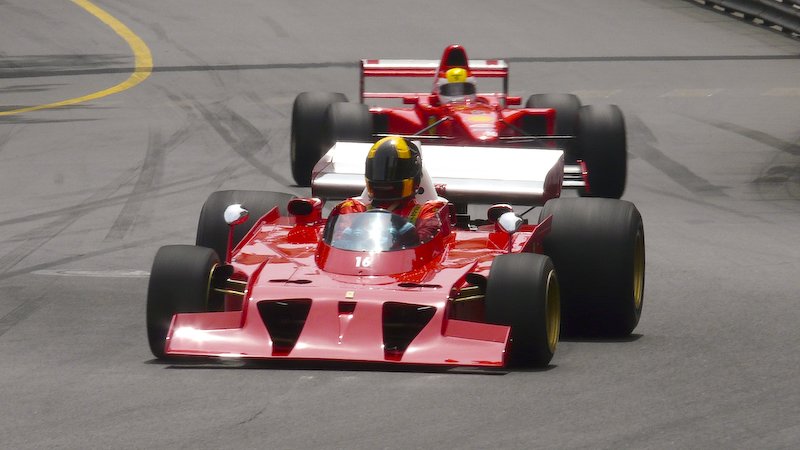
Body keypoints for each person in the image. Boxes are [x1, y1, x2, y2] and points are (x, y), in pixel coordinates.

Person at [330, 136, 445, 243]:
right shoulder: (352, 209)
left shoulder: (429, 211)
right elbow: (338, 243)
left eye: (395, 171)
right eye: (378, 169)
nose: (384, 178)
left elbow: (423, 244)